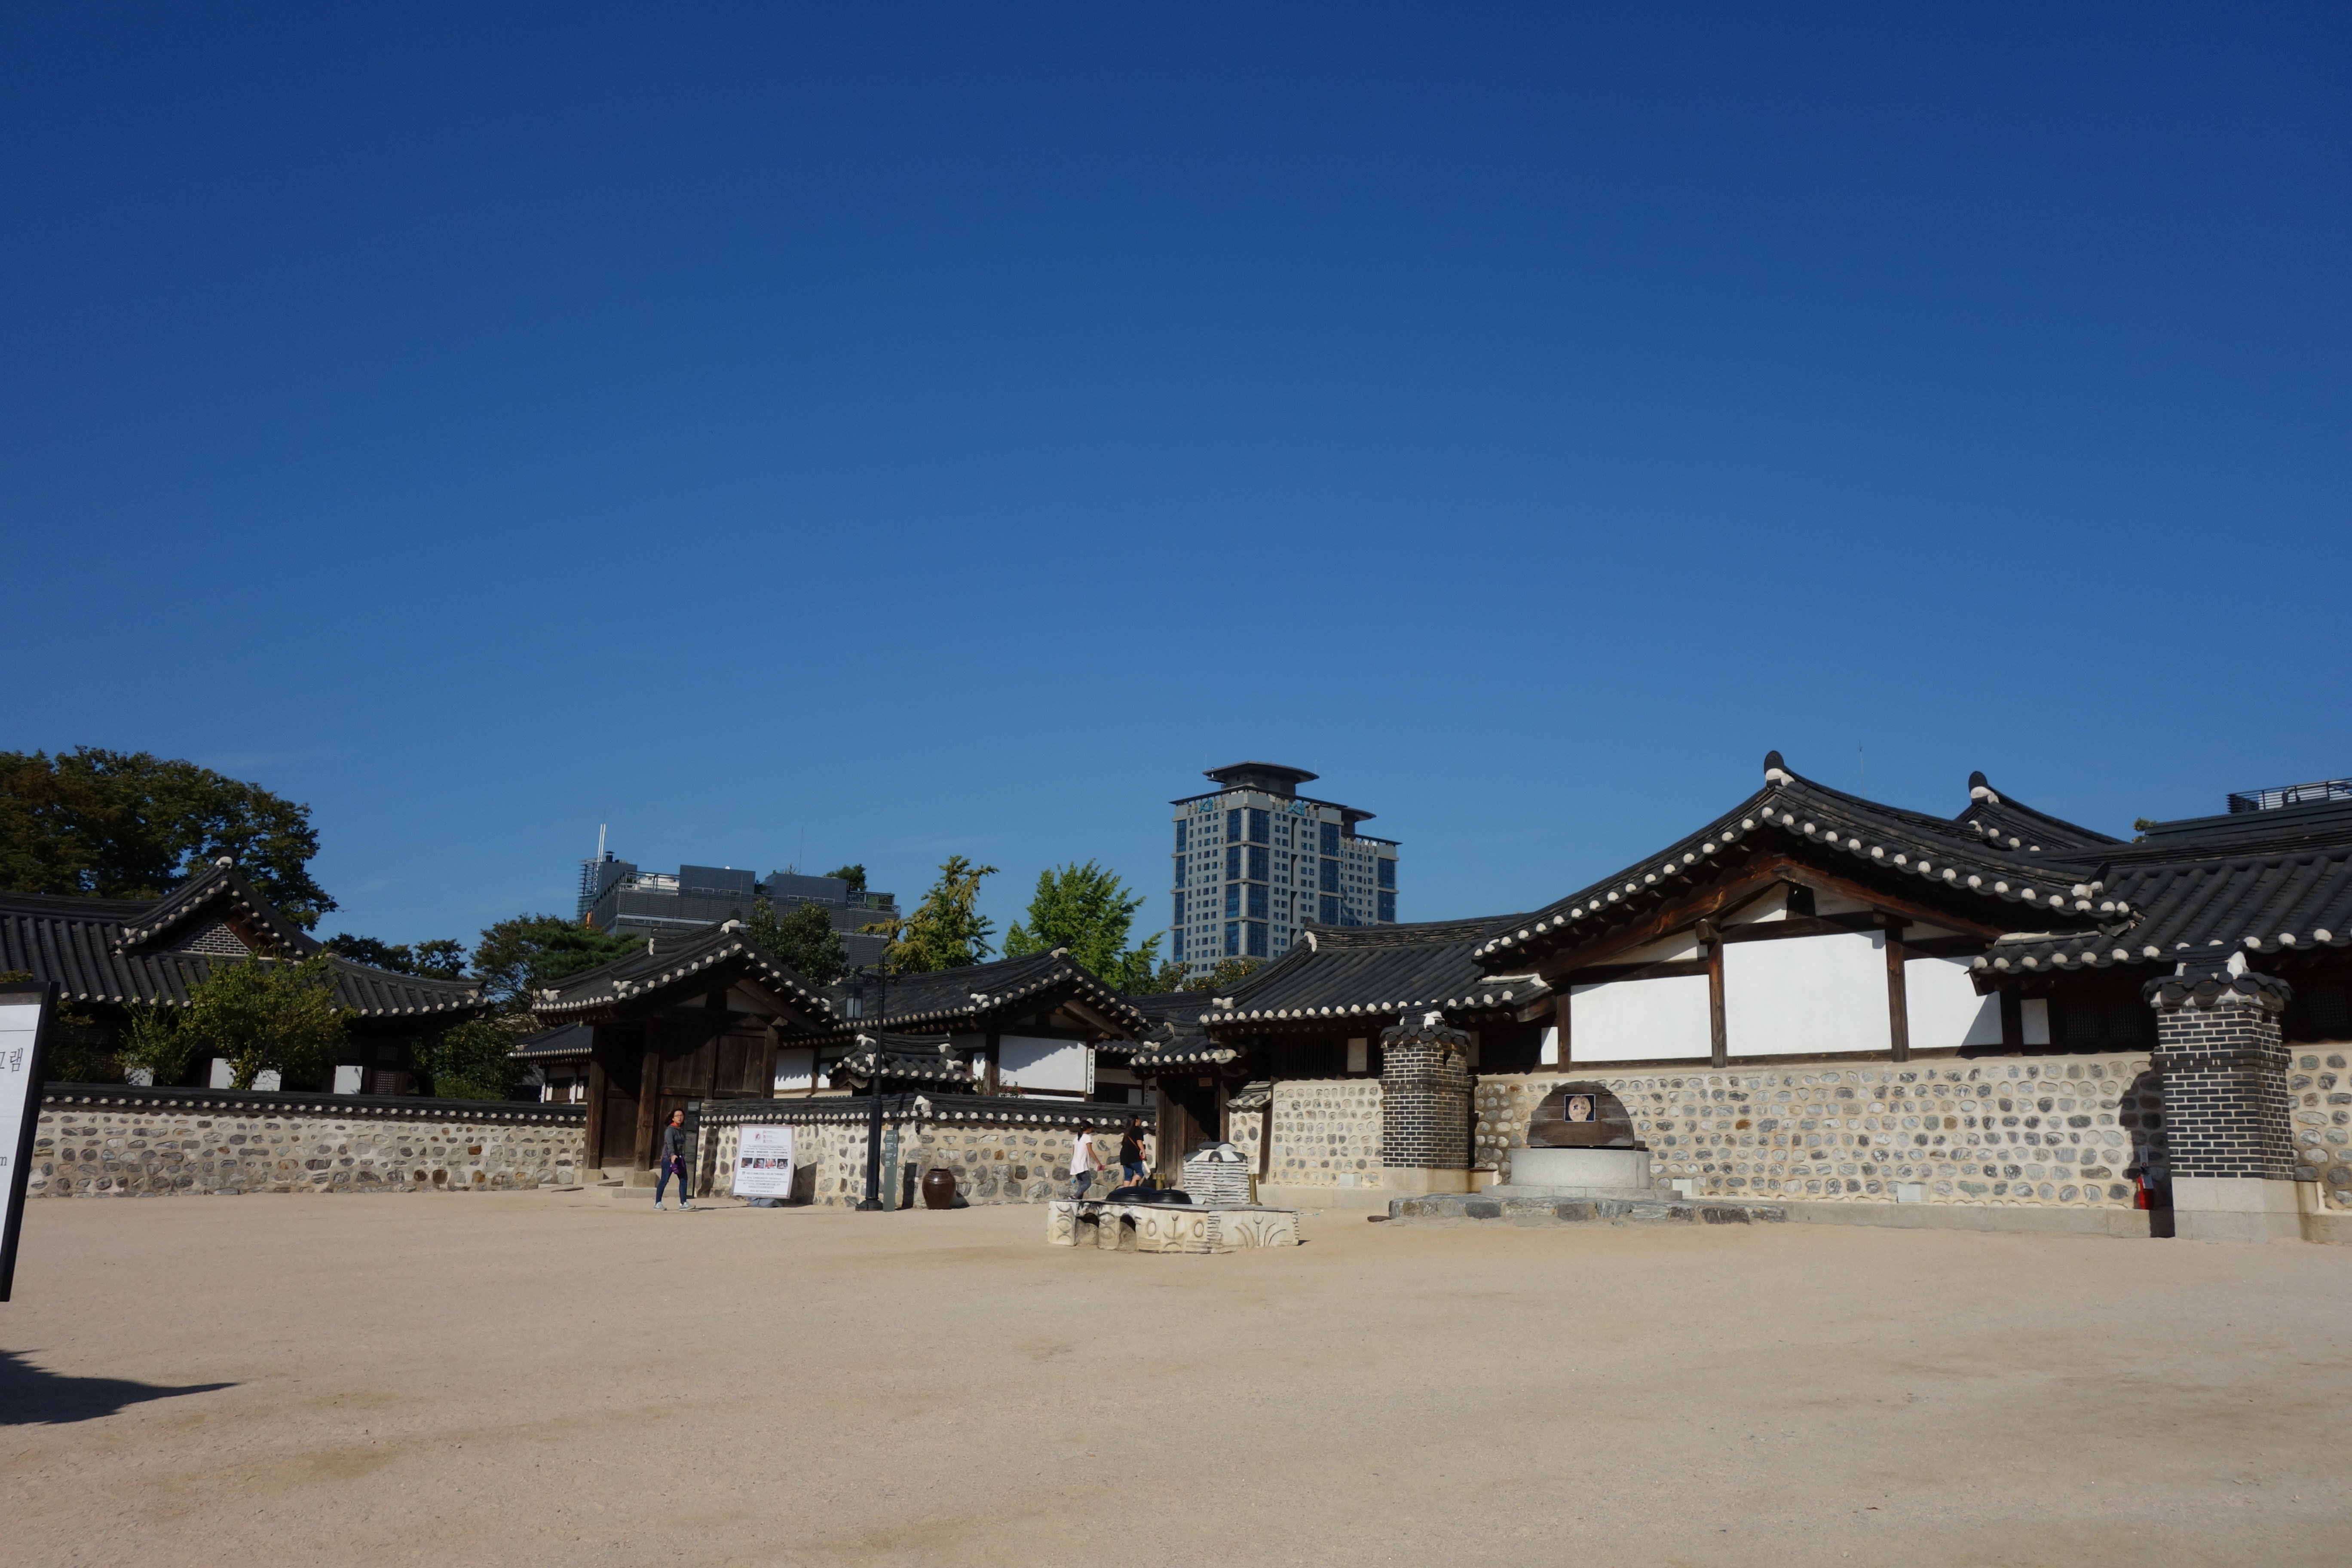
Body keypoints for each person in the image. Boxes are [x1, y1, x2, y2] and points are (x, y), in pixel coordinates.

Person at [655, 1109, 694, 1211]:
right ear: (673, 1118)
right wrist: (672, 1155)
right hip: (669, 1159)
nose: (680, 1117)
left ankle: (684, 1203)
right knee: (664, 1180)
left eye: (681, 1115)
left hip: (679, 1158)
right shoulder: (670, 1130)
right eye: (677, 1116)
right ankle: (658, 1203)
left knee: (684, 1179)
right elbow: (669, 1144)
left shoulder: (681, 1129)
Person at [1069, 1121, 1101, 1200]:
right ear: (1088, 1129)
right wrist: (1098, 1162)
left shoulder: (1076, 1138)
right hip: (1081, 1163)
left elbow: (1074, 1152)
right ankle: (1075, 1197)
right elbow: (1090, 1151)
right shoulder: (1087, 1137)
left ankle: (1079, 1200)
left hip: (1075, 1163)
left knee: (1082, 1184)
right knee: (1087, 1183)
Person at [1118, 1114, 1148, 1191]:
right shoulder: (1138, 1130)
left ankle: (1124, 1193)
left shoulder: (1127, 1130)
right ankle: (1130, 1191)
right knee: (1141, 1171)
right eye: (1139, 1120)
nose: (1140, 1121)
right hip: (1132, 1155)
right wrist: (1144, 1152)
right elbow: (1139, 1141)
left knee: (1128, 1176)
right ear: (1136, 1120)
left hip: (1124, 1155)